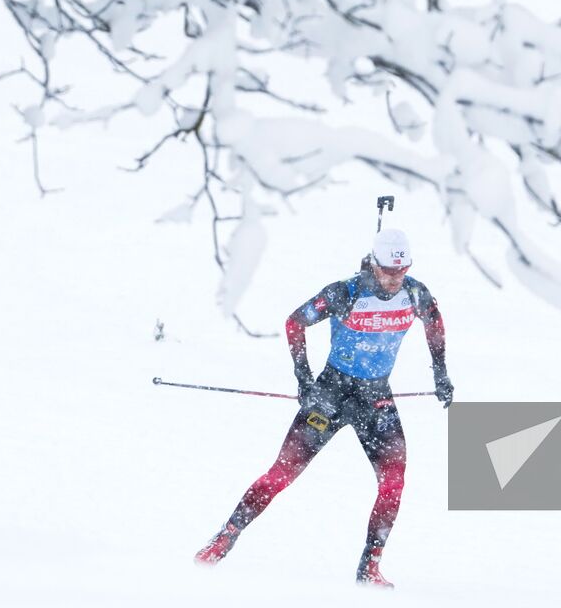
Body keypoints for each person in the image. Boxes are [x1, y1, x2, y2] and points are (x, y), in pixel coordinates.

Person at [193, 228, 453, 588]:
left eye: (402, 270)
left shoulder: (414, 292)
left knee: (393, 480)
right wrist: (304, 379)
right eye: (389, 271)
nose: (396, 279)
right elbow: (294, 322)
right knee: (281, 474)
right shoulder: (346, 292)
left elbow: (435, 324)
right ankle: (223, 539)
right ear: (374, 264)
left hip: (376, 398)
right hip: (331, 394)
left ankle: (369, 567)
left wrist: (441, 374)